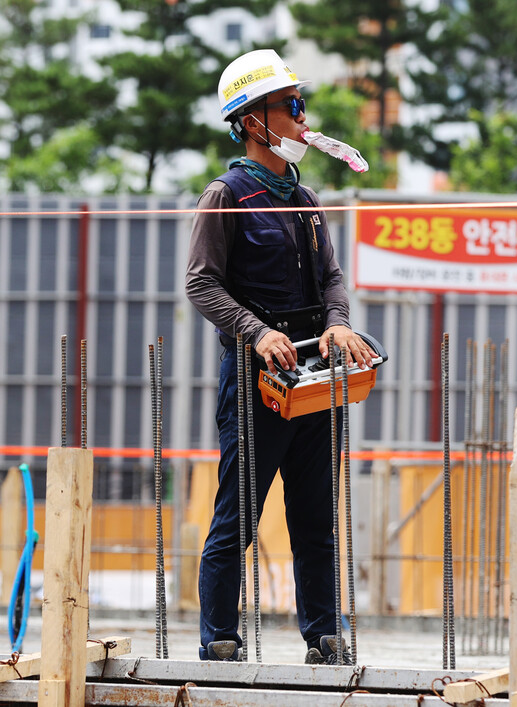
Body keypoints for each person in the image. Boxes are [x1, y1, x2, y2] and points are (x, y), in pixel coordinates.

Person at [185, 48, 374, 664]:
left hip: (314, 376)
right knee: (238, 515)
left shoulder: (306, 196)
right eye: (290, 107)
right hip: (256, 375)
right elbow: (202, 283)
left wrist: (338, 325)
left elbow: (332, 279)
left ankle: (323, 633)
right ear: (252, 119)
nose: (302, 118)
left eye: (301, 105)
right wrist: (256, 332)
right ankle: (219, 637)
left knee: (316, 515)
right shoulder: (225, 196)